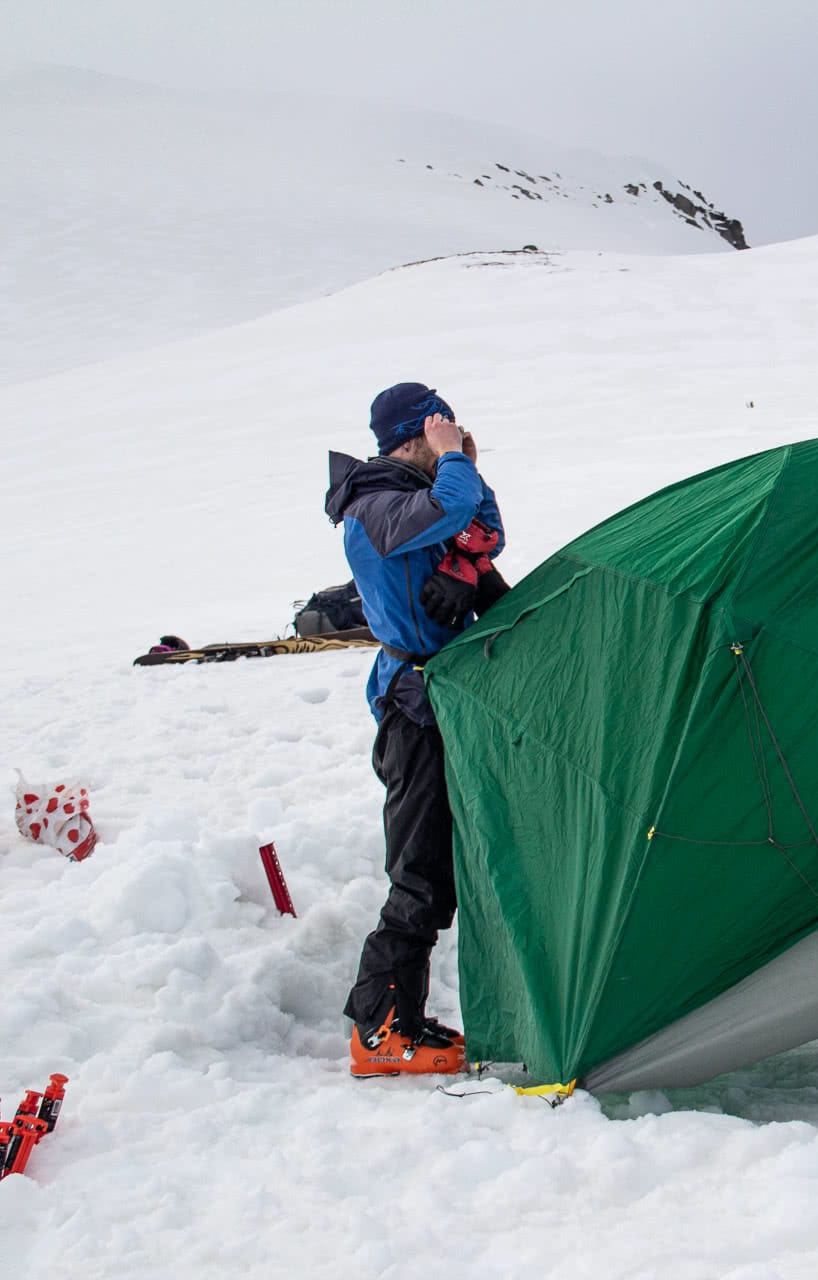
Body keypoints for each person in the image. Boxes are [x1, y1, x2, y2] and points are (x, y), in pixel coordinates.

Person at [324, 382, 509, 1078]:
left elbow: (486, 528)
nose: (452, 439)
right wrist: (453, 460)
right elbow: (453, 509)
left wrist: (466, 471)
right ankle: (378, 1030)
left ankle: (402, 1017)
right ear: (417, 433)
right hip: (411, 707)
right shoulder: (374, 504)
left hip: (442, 698)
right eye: (442, 430)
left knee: (438, 871)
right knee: (420, 874)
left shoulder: (409, 495)